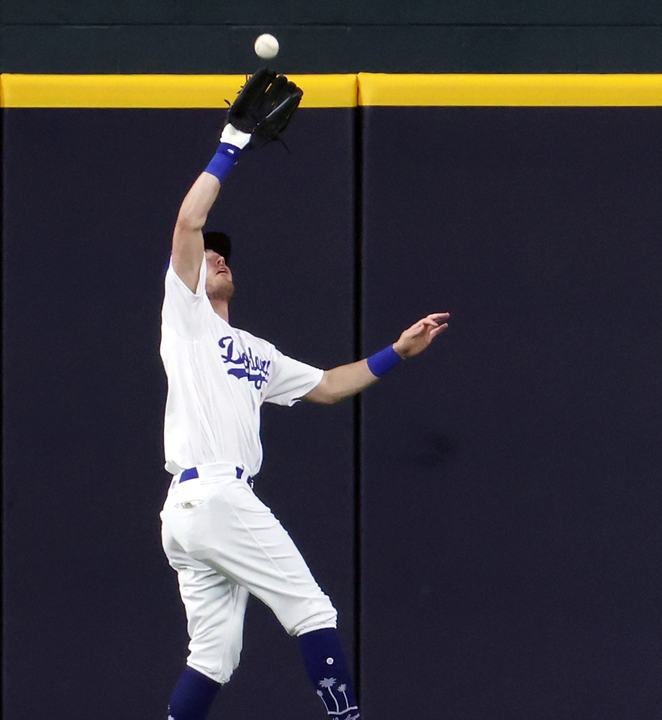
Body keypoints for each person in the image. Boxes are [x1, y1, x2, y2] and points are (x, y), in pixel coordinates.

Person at [160, 76, 449, 720]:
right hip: (211, 495)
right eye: (210, 257)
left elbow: (327, 386)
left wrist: (396, 353)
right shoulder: (184, 315)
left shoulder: (255, 351)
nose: (218, 259)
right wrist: (232, 143)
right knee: (311, 610)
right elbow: (189, 219)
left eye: (223, 256)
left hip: (190, 513)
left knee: (214, 656)